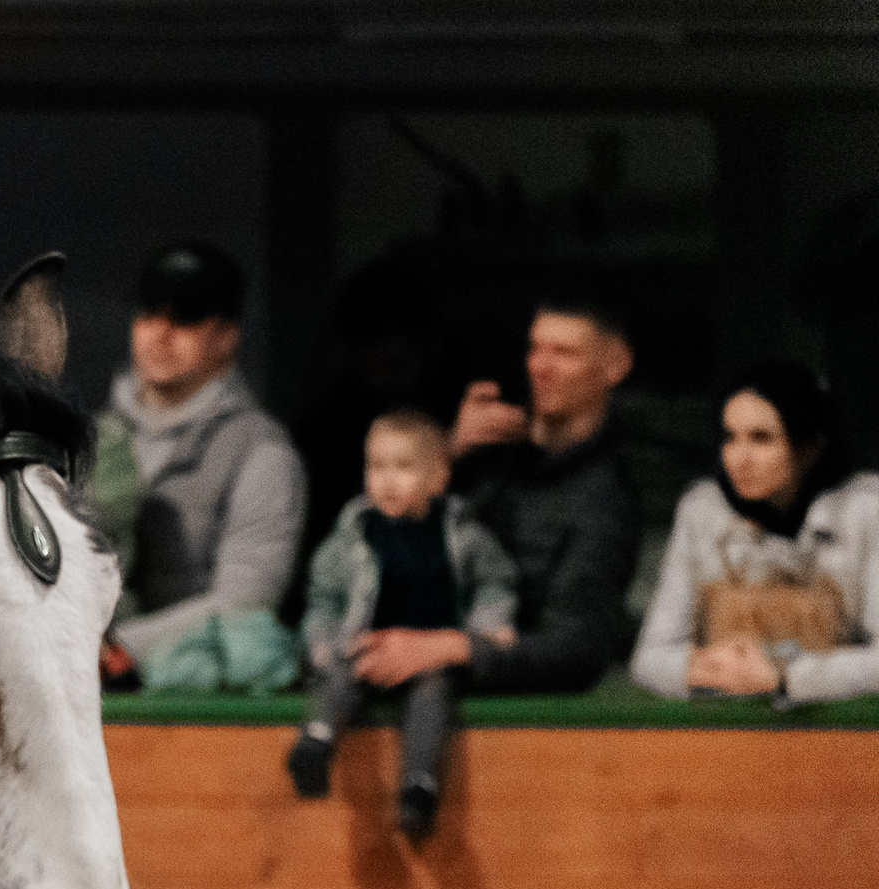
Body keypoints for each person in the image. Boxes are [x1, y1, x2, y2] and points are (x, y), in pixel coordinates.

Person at [381, 300, 640, 695]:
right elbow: (380, 550)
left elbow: (575, 649)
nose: (541, 367)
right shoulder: (492, 459)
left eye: (564, 353)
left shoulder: (605, 497)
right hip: (412, 678)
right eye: (535, 349)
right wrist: (447, 456)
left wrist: (457, 648)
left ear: (615, 365)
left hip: (519, 715)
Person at [287, 411, 520, 841]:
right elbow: (323, 597)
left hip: (428, 655)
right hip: (365, 645)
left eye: (404, 467)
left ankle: (418, 786)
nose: (387, 480)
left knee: (432, 698)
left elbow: (494, 582)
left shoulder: (463, 536)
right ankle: (315, 744)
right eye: (376, 467)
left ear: (437, 478)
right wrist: (323, 643)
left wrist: (490, 626)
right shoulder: (353, 537)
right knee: (339, 678)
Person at [91, 241, 308, 692]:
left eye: (186, 317)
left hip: (193, 699)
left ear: (227, 335)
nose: (161, 333)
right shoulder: (89, 439)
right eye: (149, 313)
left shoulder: (263, 452)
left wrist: (117, 646)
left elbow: (246, 601)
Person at [632, 362, 879, 704]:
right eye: (730, 438)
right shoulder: (703, 508)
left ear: (809, 447)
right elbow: (650, 657)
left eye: (761, 439)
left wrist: (785, 675)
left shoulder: (866, 508)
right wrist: (705, 668)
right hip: (729, 733)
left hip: (847, 737)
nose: (739, 458)